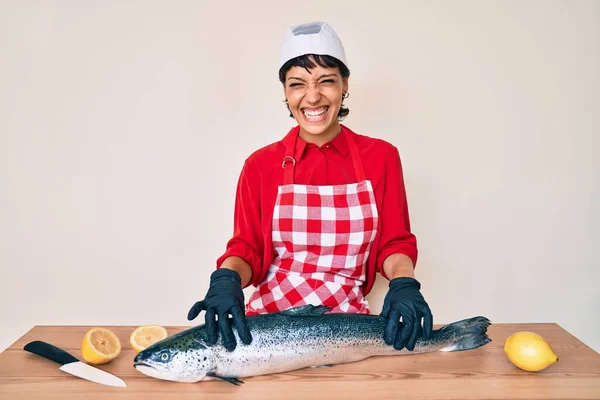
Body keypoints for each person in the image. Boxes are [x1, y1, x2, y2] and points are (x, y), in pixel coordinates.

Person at [188, 21, 433, 353]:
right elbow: (247, 249)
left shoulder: (382, 158)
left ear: (345, 85)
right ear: (286, 93)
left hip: (347, 327)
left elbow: (393, 243)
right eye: (297, 84)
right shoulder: (260, 165)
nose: (312, 96)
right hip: (268, 328)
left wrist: (404, 283)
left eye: (326, 82)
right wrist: (226, 279)